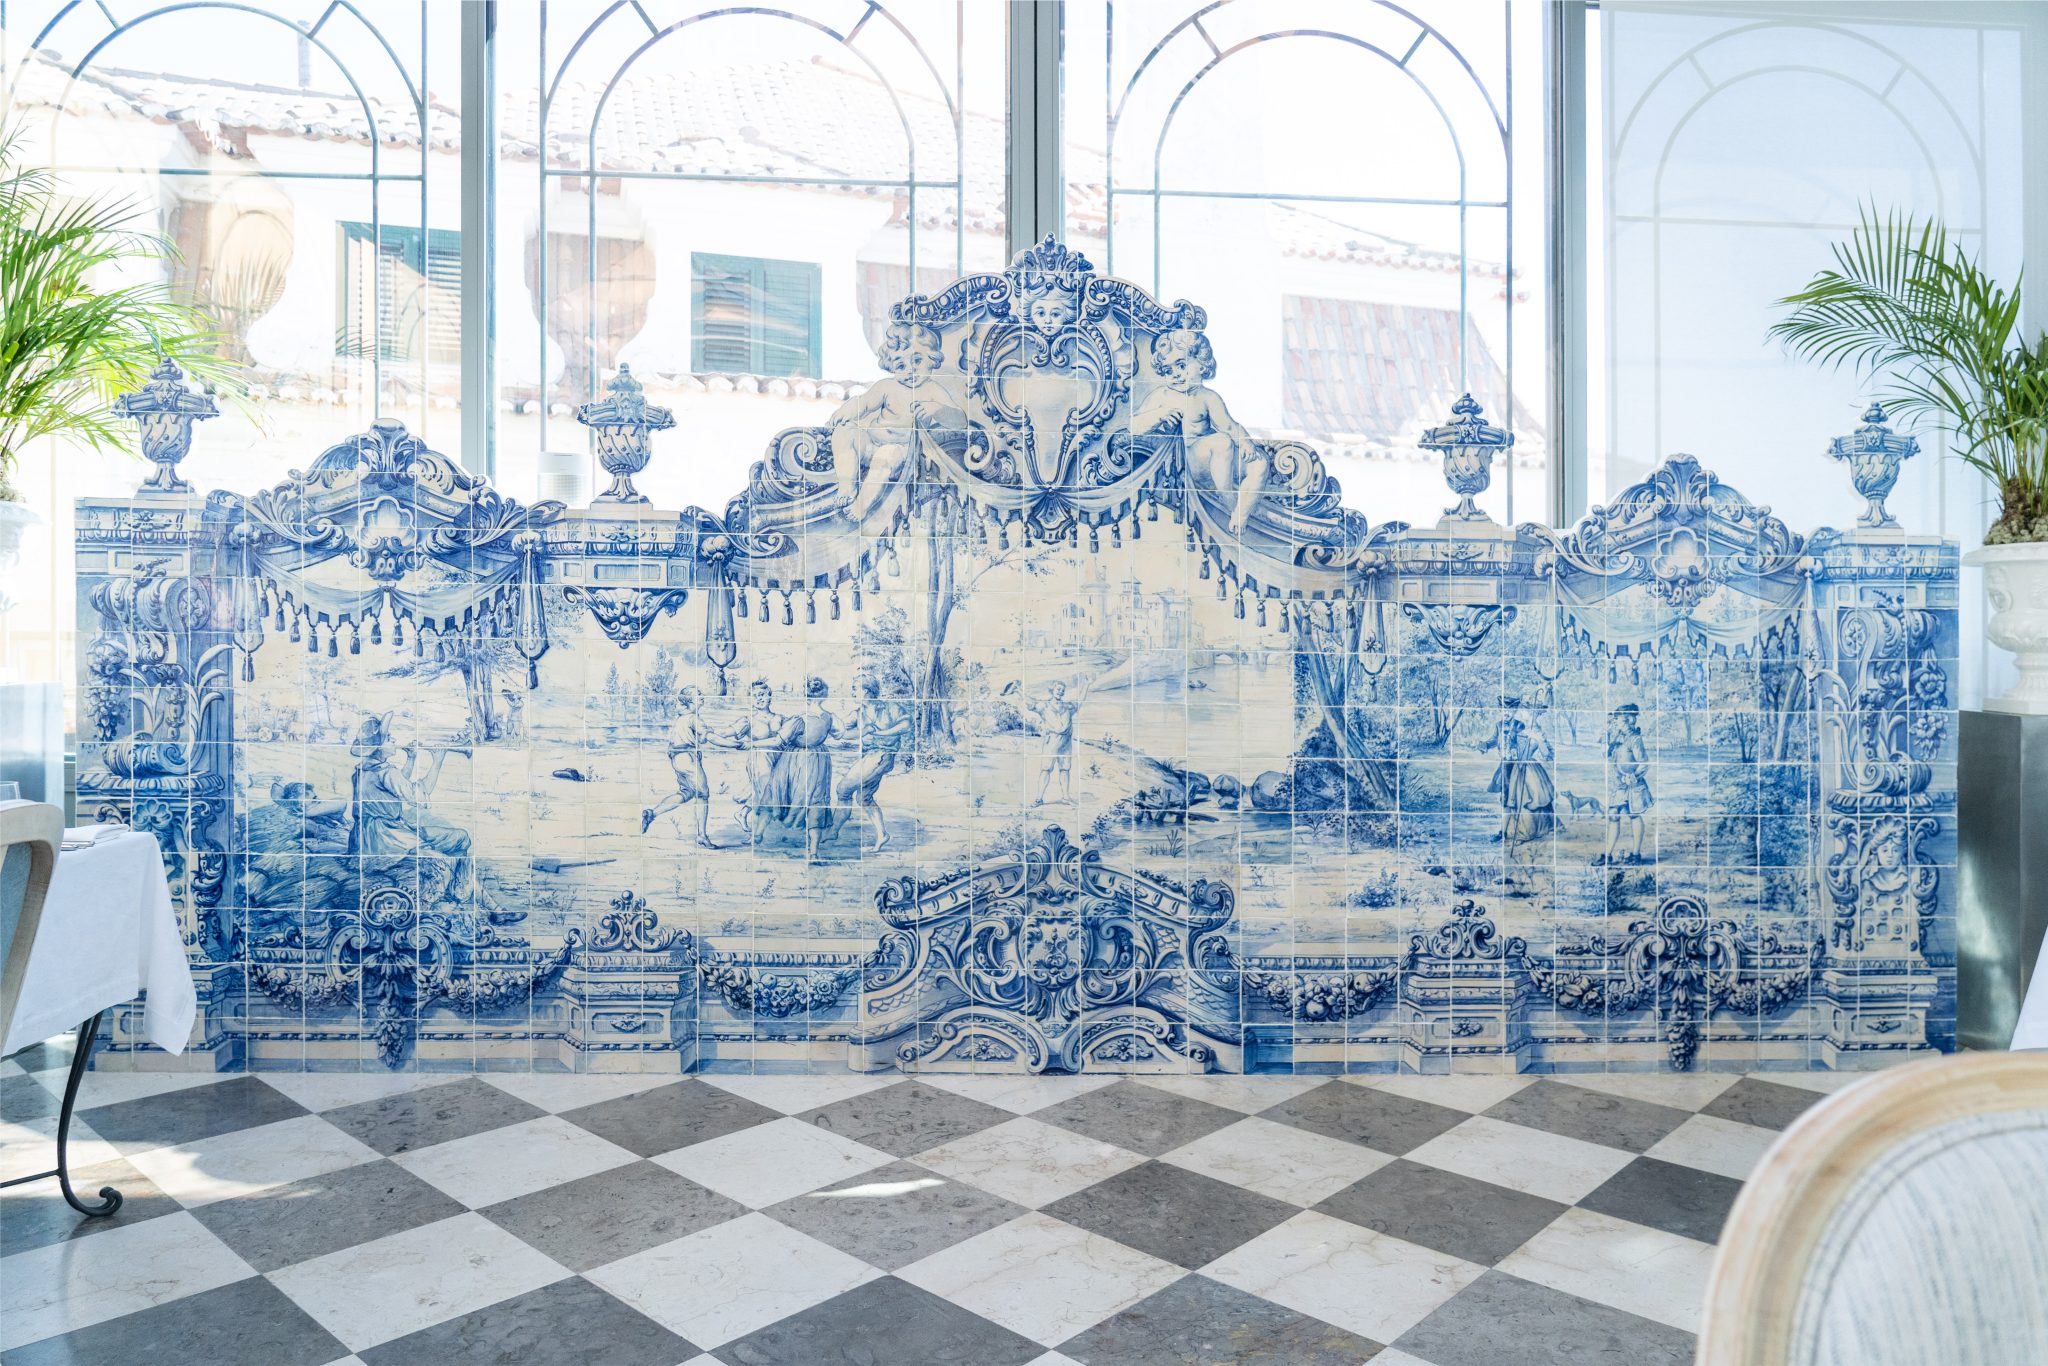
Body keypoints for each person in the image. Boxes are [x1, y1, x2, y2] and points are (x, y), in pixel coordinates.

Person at [828, 322, 968, 532]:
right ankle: (847, 486)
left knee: (886, 455)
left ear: (931, 360)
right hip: (870, 443)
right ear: (891, 367)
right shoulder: (887, 387)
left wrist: (937, 409)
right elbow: (863, 404)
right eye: (901, 366)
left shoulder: (932, 390)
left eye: (917, 361)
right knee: (844, 433)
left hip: (901, 451)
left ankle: (861, 505)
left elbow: (960, 421)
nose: (910, 370)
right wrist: (847, 411)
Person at [1135, 329, 1269, 536]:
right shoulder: (1161, 396)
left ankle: (1240, 515)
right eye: (1168, 370)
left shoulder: (1208, 397)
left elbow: (1229, 426)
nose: (1176, 374)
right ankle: (1229, 501)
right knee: (1222, 443)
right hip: (1184, 460)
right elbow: (1134, 427)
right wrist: (1158, 415)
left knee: (1259, 462)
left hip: (1213, 459)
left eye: (1181, 365)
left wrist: (1246, 442)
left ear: (1201, 363)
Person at [835, 672, 912, 851]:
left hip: (881, 755)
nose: (852, 692)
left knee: (843, 789)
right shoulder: (857, 714)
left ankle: (833, 831)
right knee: (864, 797)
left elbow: (906, 725)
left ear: (867, 690)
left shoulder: (890, 708)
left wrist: (878, 733)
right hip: (870, 757)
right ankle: (882, 835)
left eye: (855, 688)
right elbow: (841, 731)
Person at [643, 685, 717, 847]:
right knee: (703, 795)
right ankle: (702, 836)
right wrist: (735, 743)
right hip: (688, 758)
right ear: (690, 701)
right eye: (698, 695)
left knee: (686, 792)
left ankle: (652, 813)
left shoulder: (681, 718)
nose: (702, 696)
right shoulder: (693, 718)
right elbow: (709, 738)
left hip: (678, 759)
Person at [1482, 698, 1558, 854]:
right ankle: (1503, 832)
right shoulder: (1499, 725)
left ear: (1516, 711)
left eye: (1510, 711)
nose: (1507, 714)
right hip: (1506, 766)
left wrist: (1531, 741)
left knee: (1519, 800)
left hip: (1518, 766)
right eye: (1504, 711)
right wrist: (1485, 745)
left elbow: (1530, 747)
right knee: (1506, 799)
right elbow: (1494, 740)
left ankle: (1517, 831)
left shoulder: (1520, 725)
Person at [1601, 703, 1653, 865]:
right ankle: (1607, 855)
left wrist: (1633, 775)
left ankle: (1636, 855)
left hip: (1632, 786)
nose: (1614, 721)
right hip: (1617, 785)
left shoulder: (1635, 739)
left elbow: (1644, 763)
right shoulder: (1616, 738)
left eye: (1617, 719)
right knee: (1613, 815)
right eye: (1614, 719)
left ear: (1627, 720)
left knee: (1633, 815)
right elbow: (1607, 757)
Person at [1028, 678, 1087, 806]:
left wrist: (1086, 684)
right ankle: (1039, 799)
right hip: (1052, 742)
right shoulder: (1044, 706)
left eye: (1063, 690)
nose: (1060, 691)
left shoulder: (1068, 707)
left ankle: (1066, 797)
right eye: (1058, 689)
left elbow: (1080, 701)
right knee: (1046, 769)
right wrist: (1017, 691)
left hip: (1066, 742)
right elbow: (1030, 703)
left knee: (1065, 769)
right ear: (1052, 690)